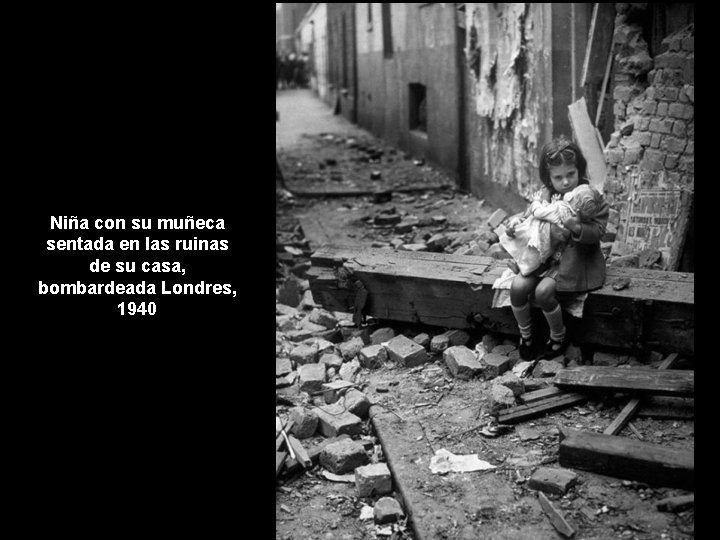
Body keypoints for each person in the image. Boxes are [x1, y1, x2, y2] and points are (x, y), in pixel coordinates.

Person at [505, 136, 609, 361]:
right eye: (558, 177)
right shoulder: (545, 196)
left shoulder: (589, 197)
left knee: (543, 293)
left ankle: (558, 336)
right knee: (517, 288)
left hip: (574, 261)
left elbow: (599, 230)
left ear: (579, 169)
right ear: (548, 177)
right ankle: (527, 334)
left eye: (571, 174)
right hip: (542, 257)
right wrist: (515, 224)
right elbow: (529, 216)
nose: (565, 182)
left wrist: (577, 227)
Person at [500, 183, 604, 277]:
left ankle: (516, 264)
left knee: (520, 247)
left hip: (537, 236)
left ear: (574, 201)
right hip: (549, 246)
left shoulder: (559, 210)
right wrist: (555, 202)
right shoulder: (573, 218)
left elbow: (538, 212)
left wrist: (536, 201)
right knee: (532, 259)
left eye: (574, 194)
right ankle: (520, 267)